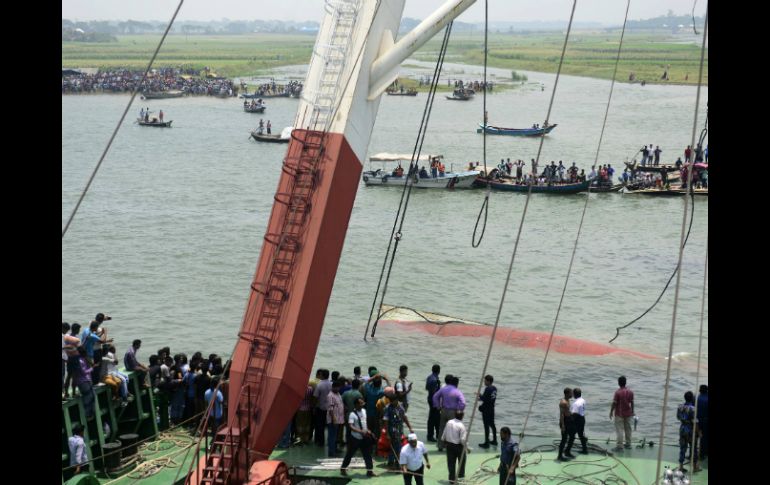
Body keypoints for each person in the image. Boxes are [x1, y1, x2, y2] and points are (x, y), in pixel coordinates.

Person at [340, 398, 375, 477]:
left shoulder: (364, 411)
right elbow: (351, 426)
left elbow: (364, 423)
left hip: (364, 438)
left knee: (367, 454)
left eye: (363, 403)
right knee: (350, 454)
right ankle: (343, 468)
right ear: (356, 405)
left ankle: (370, 471)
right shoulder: (352, 414)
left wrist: (368, 430)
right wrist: (360, 431)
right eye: (361, 403)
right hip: (355, 438)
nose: (362, 405)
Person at [432, 374, 466, 452]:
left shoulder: (444, 389)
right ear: (456, 384)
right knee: (452, 429)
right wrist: (459, 409)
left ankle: (440, 446)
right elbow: (463, 403)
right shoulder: (457, 391)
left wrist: (437, 406)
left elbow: (435, 397)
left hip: (443, 410)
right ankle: (450, 446)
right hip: (453, 412)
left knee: (442, 428)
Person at [441, 410, 467, 483]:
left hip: (449, 446)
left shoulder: (449, 422)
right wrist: (466, 448)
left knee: (451, 463)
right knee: (461, 462)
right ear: (462, 416)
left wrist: (444, 441)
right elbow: (462, 440)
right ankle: (460, 478)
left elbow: (444, 435)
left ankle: (451, 480)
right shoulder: (461, 426)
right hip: (459, 447)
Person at [609, 376, 634, 450]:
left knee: (620, 430)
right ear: (625, 382)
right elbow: (632, 402)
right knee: (628, 429)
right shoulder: (630, 392)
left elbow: (614, 403)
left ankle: (620, 446)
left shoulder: (618, 392)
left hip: (619, 414)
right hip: (628, 413)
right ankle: (628, 444)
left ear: (619, 383)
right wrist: (632, 411)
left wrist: (611, 412)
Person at [677, 391, 700, 472]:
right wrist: (698, 432)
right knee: (693, 448)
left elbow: (678, 417)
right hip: (690, 430)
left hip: (682, 428)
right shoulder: (693, 409)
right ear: (692, 399)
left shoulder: (680, 407)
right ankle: (695, 467)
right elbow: (695, 422)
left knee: (682, 448)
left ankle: (680, 467)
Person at [478, 375, 497, 448]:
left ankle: (486, 442)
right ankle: (494, 440)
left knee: (486, 426)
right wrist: (482, 398)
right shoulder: (494, 388)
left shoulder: (487, 389)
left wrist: (480, 395)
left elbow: (484, 399)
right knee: (492, 424)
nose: (484, 382)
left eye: (485, 380)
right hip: (491, 408)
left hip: (486, 409)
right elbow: (489, 398)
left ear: (488, 381)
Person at [326, 379, 345, 457]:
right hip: (333, 419)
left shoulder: (338, 394)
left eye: (339, 387)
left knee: (335, 435)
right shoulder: (330, 396)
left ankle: (335, 449)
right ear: (333, 387)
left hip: (339, 419)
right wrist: (334, 419)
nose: (338, 389)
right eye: (337, 387)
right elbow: (330, 409)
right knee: (332, 436)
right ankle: (331, 452)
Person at [557, 387, 575, 461]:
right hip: (564, 421)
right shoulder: (563, 402)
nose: (572, 394)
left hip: (569, 420)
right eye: (571, 393)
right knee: (564, 439)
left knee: (572, 436)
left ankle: (567, 451)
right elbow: (561, 414)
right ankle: (560, 456)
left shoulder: (568, 400)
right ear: (567, 393)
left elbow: (567, 411)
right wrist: (563, 425)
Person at [425, 364, 441, 443]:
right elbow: (435, 393)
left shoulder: (429, 377)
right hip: (434, 401)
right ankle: (431, 435)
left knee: (433, 418)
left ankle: (433, 435)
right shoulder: (435, 380)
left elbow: (426, 388)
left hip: (430, 399)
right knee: (434, 419)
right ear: (439, 371)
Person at [570, 387, 588, 454]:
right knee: (581, 434)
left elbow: (574, 414)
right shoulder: (583, 400)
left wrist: (570, 420)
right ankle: (585, 449)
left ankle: (568, 450)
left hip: (577, 420)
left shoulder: (576, 403)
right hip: (582, 418)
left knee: (572, 435)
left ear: (575, 394)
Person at [697, 385, 708, 459]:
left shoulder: (696, 398)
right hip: (706, 420)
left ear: (699, 390)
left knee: (696, 437)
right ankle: (703, 453)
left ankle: (694, 453)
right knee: (705, 437)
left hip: (697, 420)